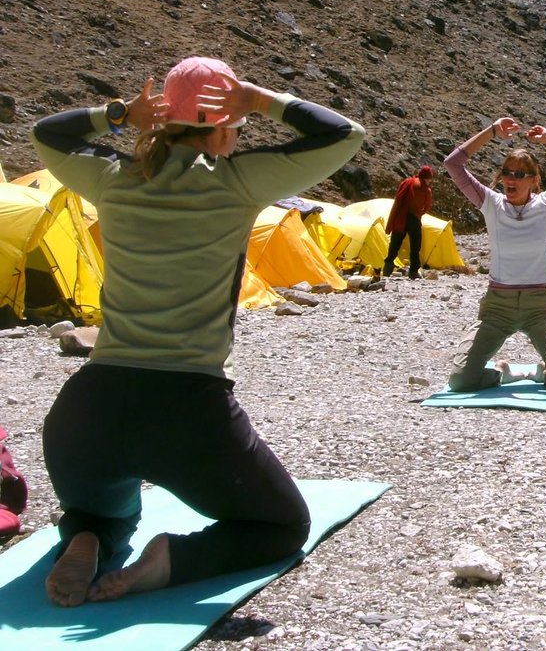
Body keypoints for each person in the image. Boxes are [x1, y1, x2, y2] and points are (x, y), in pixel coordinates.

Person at [31, 56, 365, 607]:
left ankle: (88, 533)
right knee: (279, 526)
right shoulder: (237, 181)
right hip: (185, 408)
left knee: (102, 507)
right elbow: (343, 135)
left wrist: (120, 114)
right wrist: (261, 100)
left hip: (84, 414)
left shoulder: (113, 177)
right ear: (223, 128)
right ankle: (171, 560)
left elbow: (47, 133)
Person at [443, 117, 546, 392]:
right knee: (461, 381)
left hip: (539, 308)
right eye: (507, 172)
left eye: (519, 174)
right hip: (497, 308)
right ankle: (501, 375)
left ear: (534, 180)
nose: (510, 179)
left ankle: (543, 372)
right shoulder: (490, 203)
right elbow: (452, 165)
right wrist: (491, 131)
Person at [383, 165, 434, 279]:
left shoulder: (407, 182)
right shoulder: (426, 189)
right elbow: (427, 206)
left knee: (395, 243)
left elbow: (398, 199)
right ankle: (413, 271)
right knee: (415, 245)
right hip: (414, 219)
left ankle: (387, 268)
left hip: (400, 217)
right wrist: (419, 213)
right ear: (427, 178)